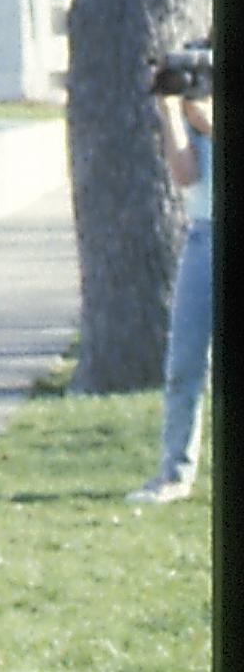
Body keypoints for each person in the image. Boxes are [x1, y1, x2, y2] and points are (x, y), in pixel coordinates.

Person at [130, 70, 213, 504]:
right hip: (206, 237)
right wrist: (170, 109)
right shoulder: (197, 109)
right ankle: (174, 473)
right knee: (185, 362)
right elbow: (184, 175)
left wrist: (205, 120)